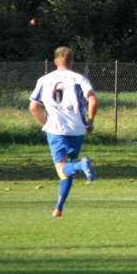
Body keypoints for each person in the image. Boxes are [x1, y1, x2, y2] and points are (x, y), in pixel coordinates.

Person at [29, 46, 97, 217]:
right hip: (77, 130)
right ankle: (58, 207)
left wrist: (47, 123)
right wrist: (90, 121)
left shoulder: (44, 80)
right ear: (72, 61)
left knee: (63, 169)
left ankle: (82, 165)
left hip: (56, 130)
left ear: (55, 61)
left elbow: (33, 107)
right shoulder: (79, 78)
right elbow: (93, 100)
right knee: (67, 169)